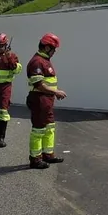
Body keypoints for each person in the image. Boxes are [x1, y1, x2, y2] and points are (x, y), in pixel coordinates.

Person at [26, 33, 67, 169]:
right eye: (53, 49)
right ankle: (35, 159)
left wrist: (53, 93)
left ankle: (47, 154)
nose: (54, 52)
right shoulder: (37, 62)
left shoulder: (45, 60)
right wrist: (56, 92)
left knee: (49, 128)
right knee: (39, 130)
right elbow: (39, 84)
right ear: (47, 47)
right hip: (39, 100)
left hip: (46, 101)